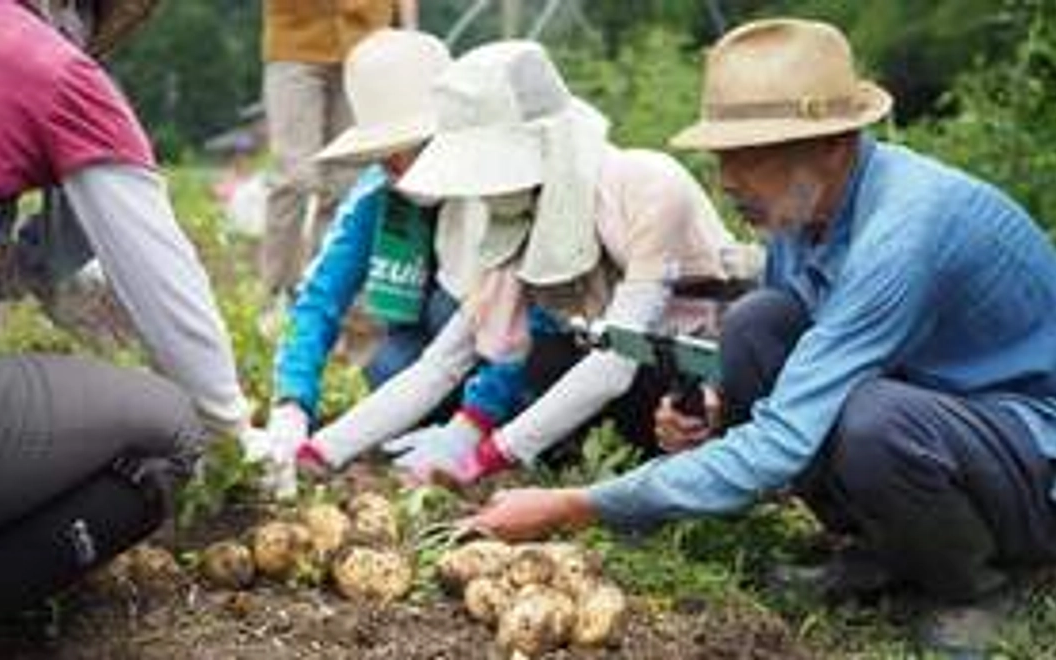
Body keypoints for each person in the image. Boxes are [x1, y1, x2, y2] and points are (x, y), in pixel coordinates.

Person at [464, 18, 1056, 654]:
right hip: (941, 414)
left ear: (834, 144)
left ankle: (980, 587)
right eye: (722, 157)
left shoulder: (907, 230)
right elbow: (794, 355)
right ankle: (881, 550)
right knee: (756, 322)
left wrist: (576, 504)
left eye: (748, 156)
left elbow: (784, 440)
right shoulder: (802, 217)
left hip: (1031, 452)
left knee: (876, 422)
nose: (726, 180)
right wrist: (719, 409)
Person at [295, 40, 750, 485]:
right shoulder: (522, 218)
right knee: (539, 352)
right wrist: (322, 450)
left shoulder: (647, 185)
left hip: (705, 374)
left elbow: (619, 361)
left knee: (584, 376)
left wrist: (485, 457)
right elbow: (442, 363)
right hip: (618, 377)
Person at [0, 0, 250, 613]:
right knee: (170, 428)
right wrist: (235, 431)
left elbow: (45, 272)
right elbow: (169, 286)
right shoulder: (54, 71)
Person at [246, 29, 528, 498]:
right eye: (384, 153)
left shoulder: (497, 189)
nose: (395, 163)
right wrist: (292, 404)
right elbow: (319, 298)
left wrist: (474, 423)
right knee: (388, 367)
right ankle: (438, 421)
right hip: (430, 359)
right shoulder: (377, 195)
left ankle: (501, 419)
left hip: (508, 356)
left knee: (448, 312)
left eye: (411, 146)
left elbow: (528, 318)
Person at [259, 0, 418, 331]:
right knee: (294, 178)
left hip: (367, 42)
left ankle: (328, 299)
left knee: (348, 185)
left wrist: (409, 33)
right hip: (295, 37)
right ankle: (279, 291)